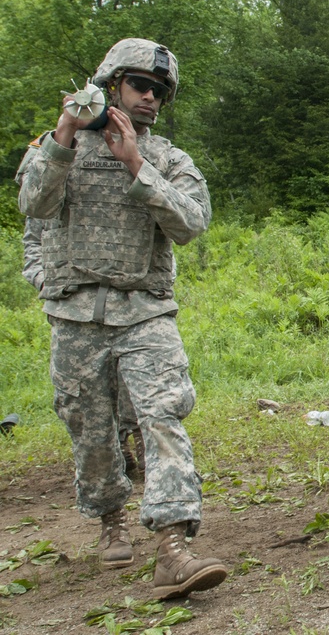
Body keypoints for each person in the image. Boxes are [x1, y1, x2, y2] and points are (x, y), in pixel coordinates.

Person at [15, 38, 226, 599]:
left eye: (160, 91)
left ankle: (174, 547)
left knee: (162, 416)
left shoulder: (168, 160)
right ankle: (110, 518)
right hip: (76, 315)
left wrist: (136, 165)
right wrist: (63, 135)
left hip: (145, 312)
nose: (151, 97)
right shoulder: (57, 147)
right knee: (91, 430)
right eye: (141, 85)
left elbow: (192, 223)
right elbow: (33, 206)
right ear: (112, 85)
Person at [22, 217, 146, 477]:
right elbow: (34, 244)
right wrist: (46, 281)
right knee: (89, 392)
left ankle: (143, 445)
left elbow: (151, 244)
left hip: (131, 304)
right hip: (74, 311)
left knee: (138, 380)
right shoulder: (48, 189)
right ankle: (119, 449)